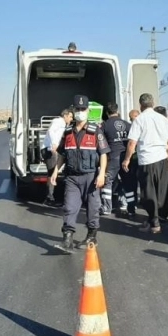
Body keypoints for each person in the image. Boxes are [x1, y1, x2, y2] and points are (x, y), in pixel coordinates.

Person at [49, 96, 110, 253]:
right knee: (69, 207)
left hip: (91, 177)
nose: (80, 112)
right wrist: (56, 170)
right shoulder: (68, 132)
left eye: (83, 109)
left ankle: (91, 236)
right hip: (72, 177)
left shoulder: (95, 130)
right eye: (77, 109)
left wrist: (102, 174)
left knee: (93, 208)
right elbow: (62, 154)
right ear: (73, 111)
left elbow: (103, 154)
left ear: (88, 111)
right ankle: (67, 240)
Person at [123, 93, 168, 234]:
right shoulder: (163, 119)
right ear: (153, 103)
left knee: (148, 193)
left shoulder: (139, 119)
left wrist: (127, 159)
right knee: (160, 192)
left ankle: (154, 221)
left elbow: (132, 142)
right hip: (162, 159)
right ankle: (155, 218)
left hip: (147, 160)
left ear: (141, 105)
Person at [100, 102, 130, 216]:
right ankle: (126, 205)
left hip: (112, 157)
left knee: (107, 182)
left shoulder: (104, 125)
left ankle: (107, 208)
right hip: (126, 157)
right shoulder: (127, 124)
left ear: (107, 113)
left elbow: (101, 142)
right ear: (117, 111)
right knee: (126, 181)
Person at [42, 109, 74, 206]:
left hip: (55, 150)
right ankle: (49, 198)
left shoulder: (64, 124)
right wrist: (54, 144)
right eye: (70, 117)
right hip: (49, 150)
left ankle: (52, 197)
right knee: (52, 172)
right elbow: (51, 131)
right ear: (65, 116)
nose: (71, 119)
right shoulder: (58, 121)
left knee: (54, 172)